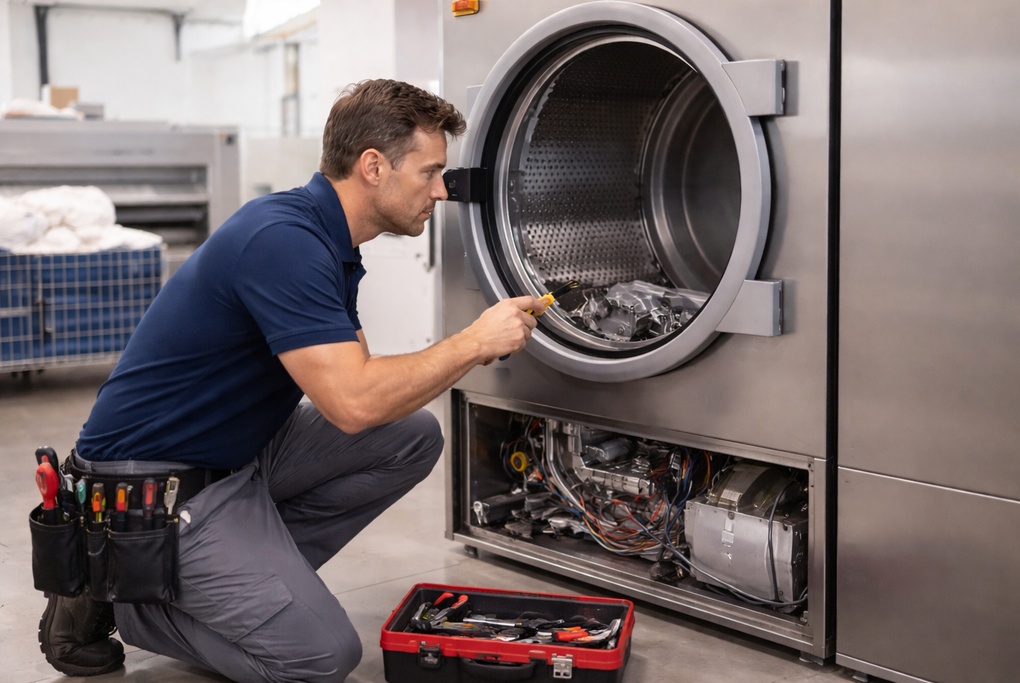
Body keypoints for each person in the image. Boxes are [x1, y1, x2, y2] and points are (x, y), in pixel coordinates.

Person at [38, 79, 546, 681]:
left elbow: (358, 381)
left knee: (411, 436)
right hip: (156, 484)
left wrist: (465, 349)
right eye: (430, 172)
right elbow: (353, 403)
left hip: (234, 455)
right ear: (373, 167)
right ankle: (134, 594)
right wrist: (472, 342)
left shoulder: (331, 240)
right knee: (322, 656)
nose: (441, 190)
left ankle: (235, 580)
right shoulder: (283, 241)